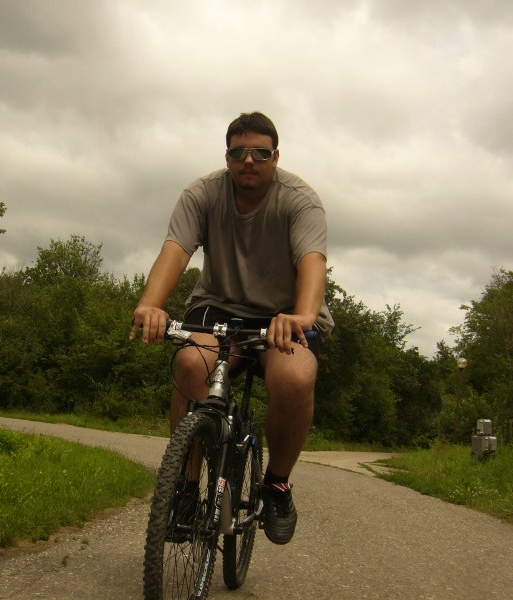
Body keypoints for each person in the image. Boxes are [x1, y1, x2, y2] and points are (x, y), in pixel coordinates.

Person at [129, 111, 334, 545]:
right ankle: (186, 487)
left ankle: (276, 485)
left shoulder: (300, 200)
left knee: (296, 378)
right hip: (218, 306)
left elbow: (313, 261)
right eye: (239, 153)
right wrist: (150, 305)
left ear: (275, 157)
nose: (249, 161)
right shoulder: (202, 194)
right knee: (191, 363)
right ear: (227, 157)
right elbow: (175, 250)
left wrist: (302, 315)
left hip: (283, 315)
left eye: (260, 152)